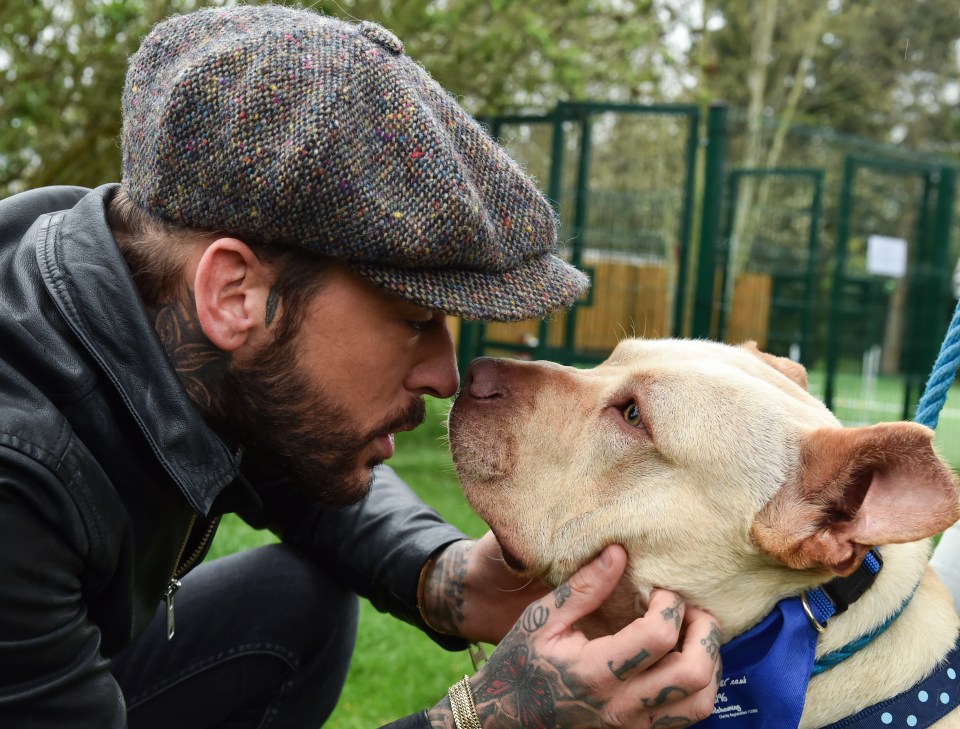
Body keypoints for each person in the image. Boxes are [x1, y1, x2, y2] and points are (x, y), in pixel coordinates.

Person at [0, 5, 721, 728]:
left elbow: (276, 446)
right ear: (234, 292)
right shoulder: (18, 471)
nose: (446, 375)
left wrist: (448, 576)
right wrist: (491, 717)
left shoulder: (131, 282)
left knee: (289, 604)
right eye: (414, 321)